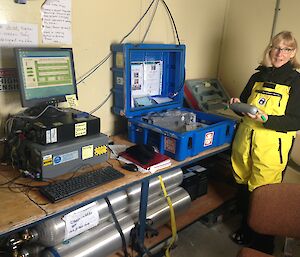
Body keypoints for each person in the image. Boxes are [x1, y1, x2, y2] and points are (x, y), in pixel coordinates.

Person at [229, 30, 300, 254]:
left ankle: (261, 244)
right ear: (270, 48)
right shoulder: (258, 76)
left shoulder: (296, 81)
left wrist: (266, 119)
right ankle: (245, 230)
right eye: (276, 47)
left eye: (286, 49)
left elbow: (295, 120)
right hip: (245, 143)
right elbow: (243, 104)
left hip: (271, 149)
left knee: (264, 194)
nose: (280, 53)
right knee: (243, 185)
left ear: (293, 53)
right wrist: (236, 104)